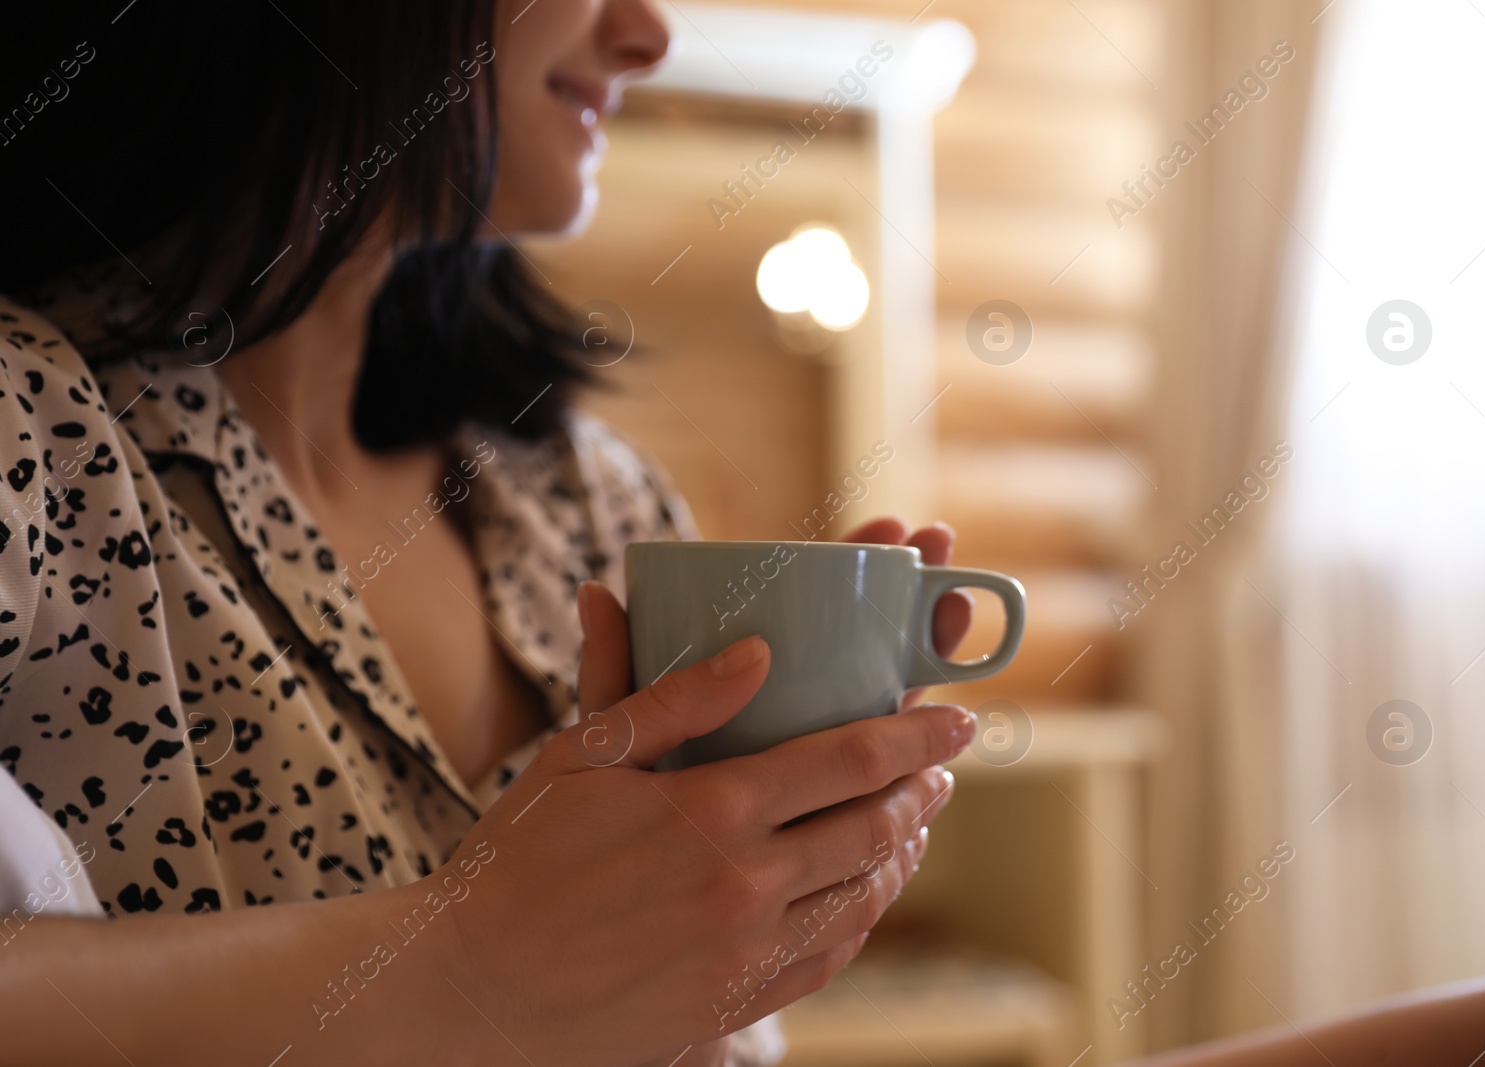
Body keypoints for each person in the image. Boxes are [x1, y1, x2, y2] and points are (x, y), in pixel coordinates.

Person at [0, 2, 978, 1064]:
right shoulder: (33, 437)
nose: (647, 36)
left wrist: (754, 911)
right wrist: (461, 967)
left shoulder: (597, 502)